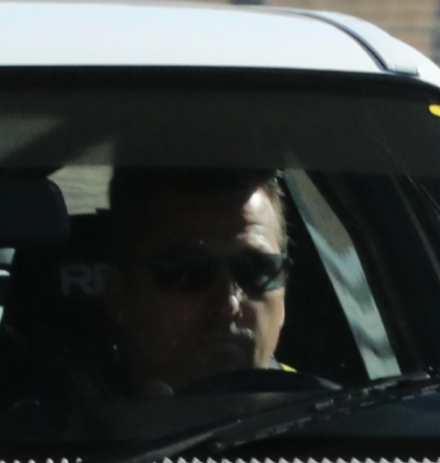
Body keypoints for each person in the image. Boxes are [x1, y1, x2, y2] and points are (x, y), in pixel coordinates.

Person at [106, 167, 308, 397]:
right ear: (119, 298)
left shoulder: (322, 407)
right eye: (187, 272)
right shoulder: (71, 423)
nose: (228, 302)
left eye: (256, 270)